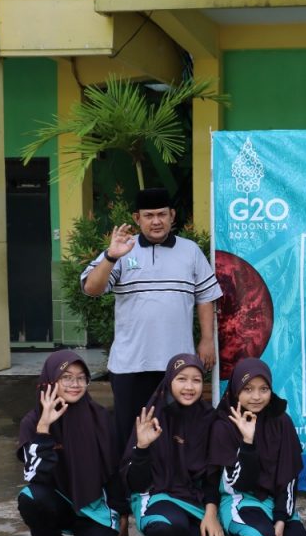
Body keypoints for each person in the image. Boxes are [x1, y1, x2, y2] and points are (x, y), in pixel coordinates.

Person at [81, 187, 222, 454]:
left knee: (175, 434)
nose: (156, 221)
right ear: (137, 218)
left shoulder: (190, 251)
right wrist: (111, 256)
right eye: (149, 215)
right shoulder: (122, 249)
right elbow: (91, 288)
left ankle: (172, 480)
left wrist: (206, 340)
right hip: (130, 364)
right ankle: (129, 479)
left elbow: (205, 296)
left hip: (177, 365)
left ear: (172, 216)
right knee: (129, 434)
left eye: (161, 214)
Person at [16, 350, 126, 536]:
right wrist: (44, 429)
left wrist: (122, 516)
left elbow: (115, 471)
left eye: (81, 378)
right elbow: (34, 475)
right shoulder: (32, 421)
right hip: (59, 503)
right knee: (31, 497)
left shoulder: (100, 417)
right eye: (66, 377)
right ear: (50, 381)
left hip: (94, 508)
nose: (75, 384)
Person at [122, 354, 232, 536]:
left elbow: (214, 476)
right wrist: (142, 448)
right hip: (159, 497)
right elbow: (136, 483)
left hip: (196, 503)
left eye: (196, 380)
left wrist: (211, 514)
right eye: (182, 379)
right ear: (169, 380)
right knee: (168, 525)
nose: (189, 387)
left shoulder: (210, 420)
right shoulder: (151, 417)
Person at [209, 358, 306, 536]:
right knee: (256, 534)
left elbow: (289, 477)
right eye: (248, 389)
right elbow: (239, 483)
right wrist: (248, 443)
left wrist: (281, 520)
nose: (256, 397)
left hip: (274, 502)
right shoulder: (224, 425)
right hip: (240, 499)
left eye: (263, 389)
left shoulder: (281, 421)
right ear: (236, 390)